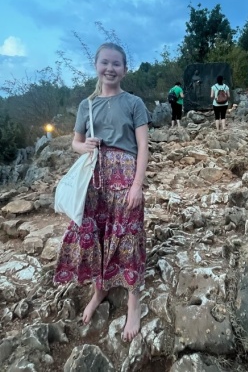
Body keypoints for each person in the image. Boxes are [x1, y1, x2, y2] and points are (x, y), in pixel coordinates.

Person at [54, 42, 150, 343]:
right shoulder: (87, 105)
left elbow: (144, 147)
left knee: (128, 235)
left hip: (124, 174)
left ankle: (134, 303)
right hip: (95, 178)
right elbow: (75, 143)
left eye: (117, 64)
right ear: (96, 65)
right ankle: (101, 289)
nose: (110, 68)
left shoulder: (134, 103)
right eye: (105, 62)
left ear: (124, 69)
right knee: (95, 236)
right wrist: (85, 146)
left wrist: (137, 184)